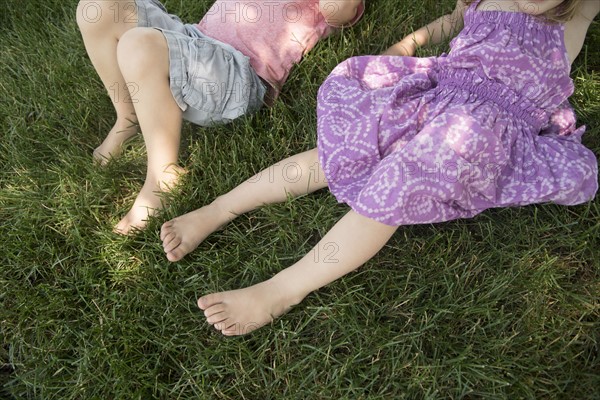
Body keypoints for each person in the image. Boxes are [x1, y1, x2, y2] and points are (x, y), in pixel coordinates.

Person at [160, 0, 599, 336]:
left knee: (398, 183)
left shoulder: (576, 9)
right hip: (434, 98)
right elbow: (445, 24)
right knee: (335, 156)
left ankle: (283, 289)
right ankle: (220, 208)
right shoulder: (481, 2)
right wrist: (401, 52)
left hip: (485, 128)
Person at [75, 0, 365, 234]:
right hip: (195, 39)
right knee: (97, 8)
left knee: (137, 45)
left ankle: (163, 177)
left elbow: (336, 10)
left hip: (239, 75)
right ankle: (128, 116)